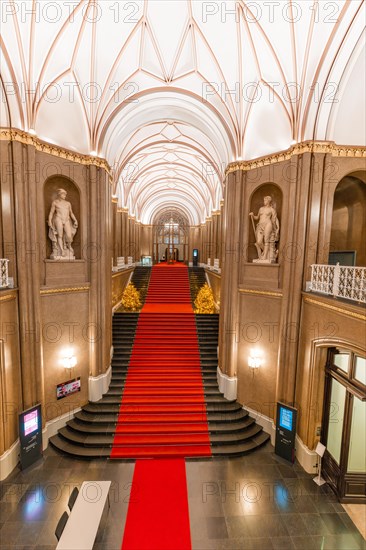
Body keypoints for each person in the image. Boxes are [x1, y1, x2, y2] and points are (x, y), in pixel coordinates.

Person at [48, 189, 78, 258]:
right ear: (59, 194)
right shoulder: (55, 202)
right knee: (60, 235)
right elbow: (51, 212)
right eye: (63, 194)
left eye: (65, 194)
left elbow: (71, 213)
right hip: (58, 219)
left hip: (67, 219)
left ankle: (69, 245)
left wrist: (75, 220)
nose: (65, 195)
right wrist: (49, 220)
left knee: (69, 235)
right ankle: (62, 250)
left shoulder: (68, 203)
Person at [249, 195, 280, 262]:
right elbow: (257, 218)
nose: (264, 201)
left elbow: (274, 220)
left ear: (269, 201)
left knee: (266, 240)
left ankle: (265, 256)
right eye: (264, 200)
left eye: (265, 200)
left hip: (268, 224)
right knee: (259, 241)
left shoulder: (272, 210)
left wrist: (275, 230)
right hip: (260, 225)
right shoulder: (261, 209)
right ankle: (266, 251)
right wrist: (253, 215)